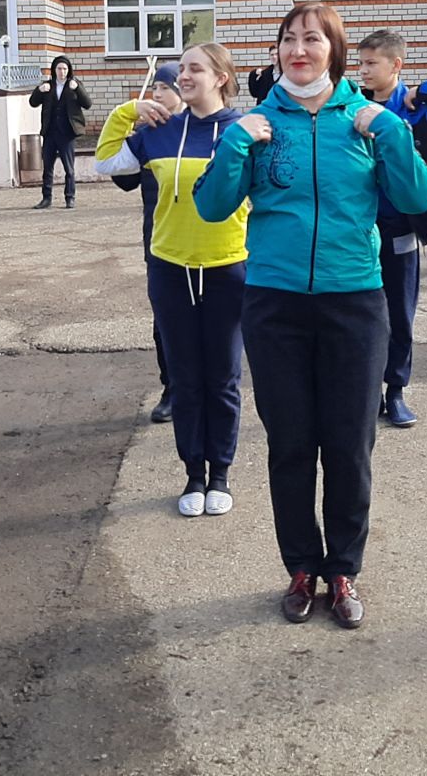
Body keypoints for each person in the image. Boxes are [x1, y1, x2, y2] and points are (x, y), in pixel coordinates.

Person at [194, 3, 427, 629]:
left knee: (350, 445)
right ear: (277, 51)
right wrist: (236, 144)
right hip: (274, 304)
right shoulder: (256, 123)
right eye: (288, 39)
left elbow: (417, 197)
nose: (298, 50)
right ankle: (302, 567)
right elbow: (212, 208)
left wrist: (392, 131)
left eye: (312, 39)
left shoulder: (365, 120)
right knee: (292, 444)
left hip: (354, 300)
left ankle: (344, 569)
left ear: (335, 50)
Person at [97, 44, 249, 517]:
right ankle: (193, 475)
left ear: (221, 77)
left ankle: (220, 473)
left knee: (222, 377)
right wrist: (127, 111)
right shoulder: (161, 131)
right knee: (185, 379)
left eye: (194, 69)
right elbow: (107, 163)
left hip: (228, 267)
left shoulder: (243, 130)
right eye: (181, 68)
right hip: (169, 267)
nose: (183, 76)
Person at [356, 29, 427, 429]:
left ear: (396, 64)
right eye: (360, 63)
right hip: (359, 227)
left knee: (400, 312)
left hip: (401, 225)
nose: (363, 70)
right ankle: (369, 393)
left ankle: (396, 390)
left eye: (372, 63)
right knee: (364, 312)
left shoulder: (416, 108)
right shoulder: (355, 108)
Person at [100, 62, 183, 424]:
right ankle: (172, 388)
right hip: (159, 242)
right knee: (164, 320)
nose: (157, 94)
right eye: (155, 89)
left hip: (204, 245)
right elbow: (121, 177)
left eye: (165, 88)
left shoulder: (204, 129)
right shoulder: (149, 135)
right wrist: (129, 123)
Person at [29, 55, 91, 208]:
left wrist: (78, 89)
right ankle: (46, 198)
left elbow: (87, 104)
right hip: (50, 132)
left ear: (69, 70)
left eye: (64, 69)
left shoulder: (74, 84)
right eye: (59, 69)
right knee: (47, 167)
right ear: (54, 70)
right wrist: (39, 90)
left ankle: (70, 197)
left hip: (67, 133)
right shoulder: (47, 86)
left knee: (69, 168)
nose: (62, 72)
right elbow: (33, 102)